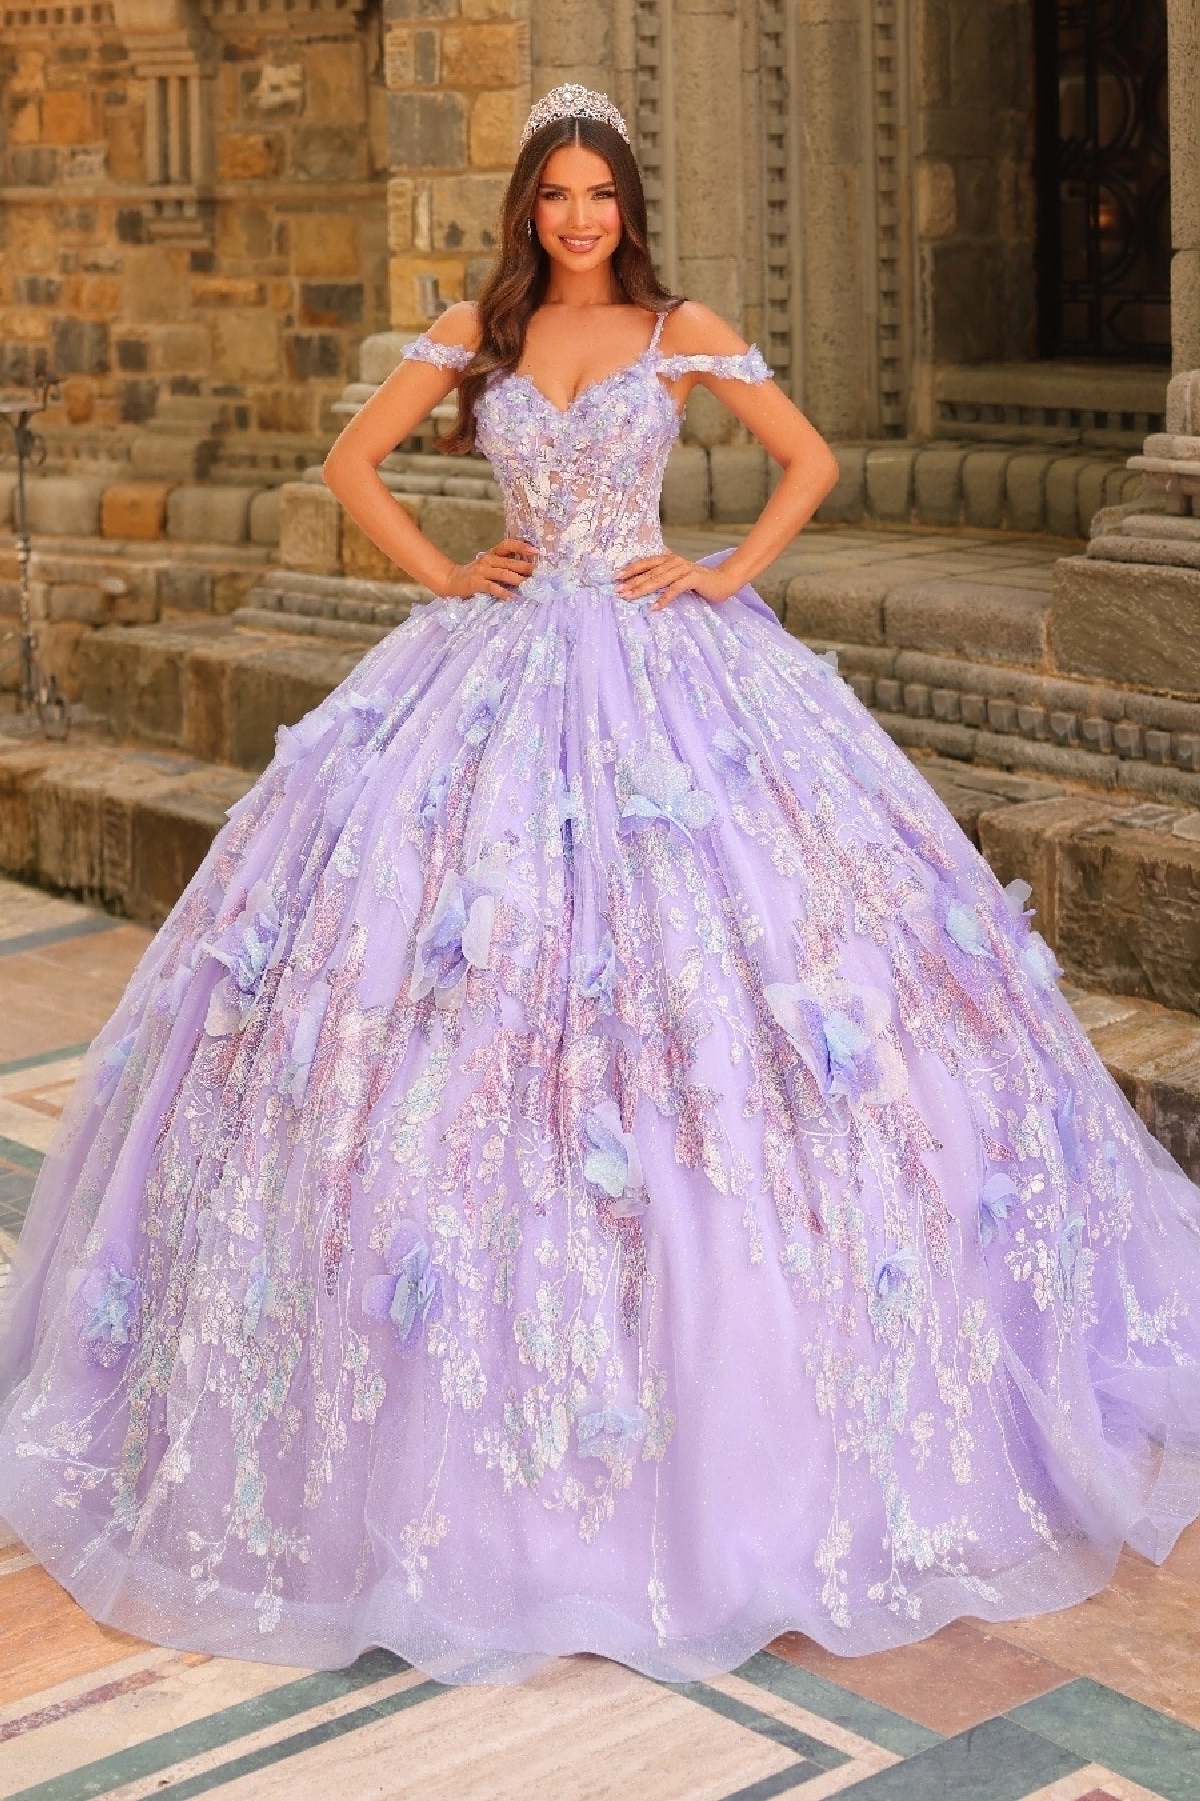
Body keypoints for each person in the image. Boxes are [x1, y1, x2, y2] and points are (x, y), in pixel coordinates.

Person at [2, 83, 1199, 1690]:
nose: (579, 218)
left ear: (627, 205)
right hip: (496, 668)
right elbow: (357, 461)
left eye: (599, 196)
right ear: (527, 207)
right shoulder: (476, 332)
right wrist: (445, 575)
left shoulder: (677, 326)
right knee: (449, 989)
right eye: (556, 196)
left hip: (662, 662)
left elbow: (811, 460)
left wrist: (720, 573)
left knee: (729, 979)